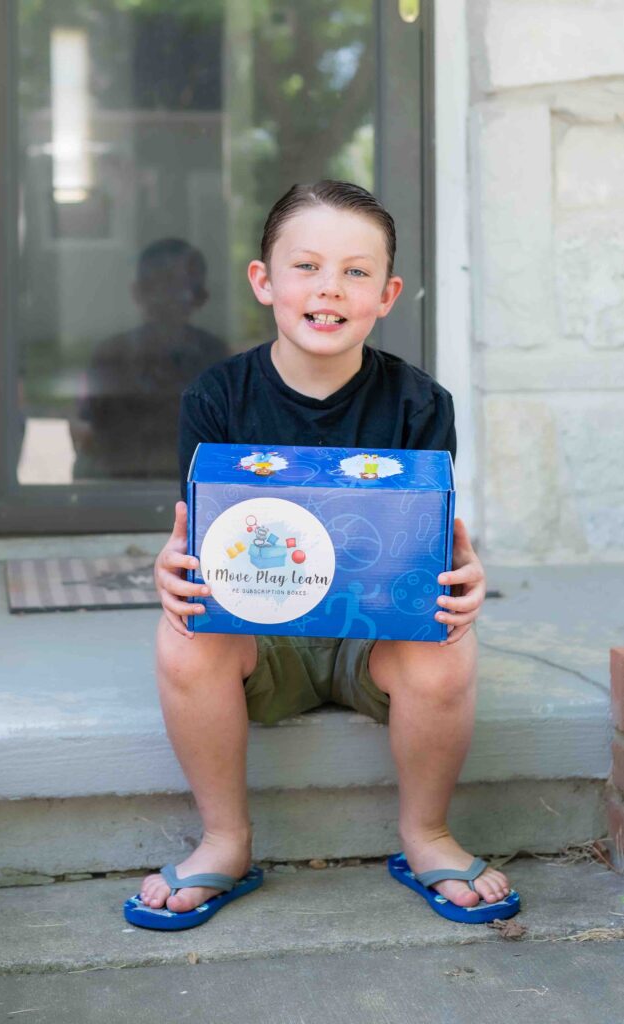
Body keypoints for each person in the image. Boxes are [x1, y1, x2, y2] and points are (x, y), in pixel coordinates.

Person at [124, 180, 520, 931]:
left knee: (448, 643)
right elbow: (199, 539)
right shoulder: (217, 397)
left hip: (371, 647)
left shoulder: (419, 404)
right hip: (262, 644)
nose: (328, 288)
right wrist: (170, 570)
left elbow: (427, 547)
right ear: (263, 281)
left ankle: (426, 832)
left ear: (387, 293)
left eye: (355, 271)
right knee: (180, 636)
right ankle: (225, 838)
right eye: (305, 266)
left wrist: (461, 581)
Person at [71, 238, 228, 480]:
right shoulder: (111, 356)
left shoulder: (215, 356)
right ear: (139, 292)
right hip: (121, 491)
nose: (176, 297)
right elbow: (86, 435)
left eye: (187, 287)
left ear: (200, 296)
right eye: (164, 286)